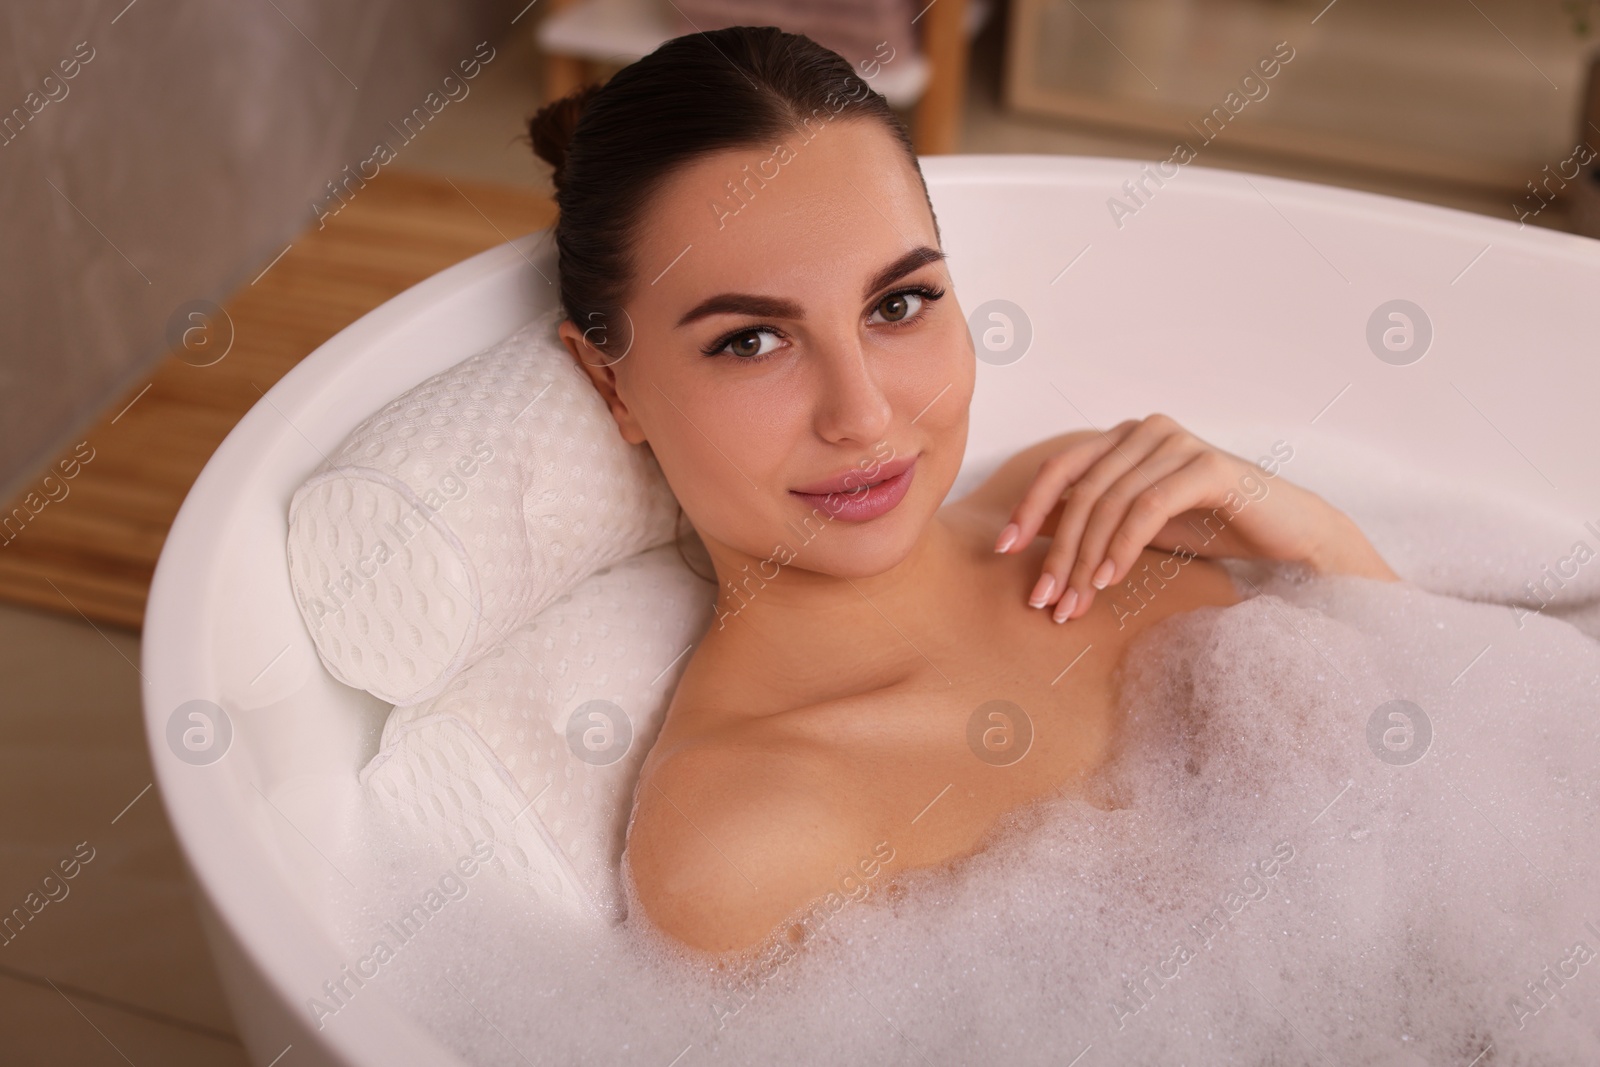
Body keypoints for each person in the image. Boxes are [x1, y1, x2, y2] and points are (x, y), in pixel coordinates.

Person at [526, 25, 1399, 958]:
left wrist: (1312, 533)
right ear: (615, 386)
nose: (861, 416)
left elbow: (1456, 729)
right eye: (751, 340)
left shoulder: (1091, 496)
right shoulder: (741, 842)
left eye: (897, 304)